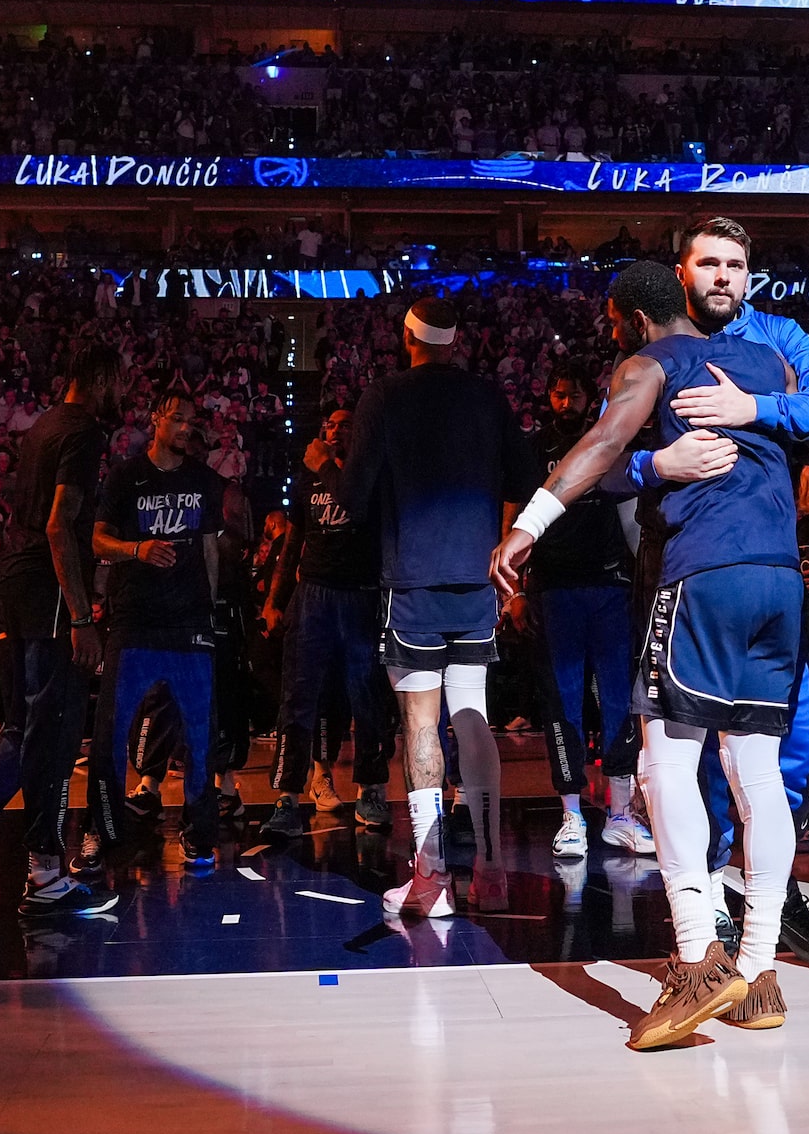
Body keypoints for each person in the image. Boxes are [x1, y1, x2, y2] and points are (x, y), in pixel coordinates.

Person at [492, 259, 809, 1050]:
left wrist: (529, 524)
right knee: (757, 773)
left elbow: (602, 443)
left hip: (705, 574)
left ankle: (697, 959)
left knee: (665, 762)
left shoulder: (648, 362)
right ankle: (758, 973)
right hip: (780, 577)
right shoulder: (767, 361)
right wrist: (658, 464)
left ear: (630, 317)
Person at [636, 216, 809, 972]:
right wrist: (657, 464)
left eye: (737, 265)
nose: (725, 276)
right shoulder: (660, 342)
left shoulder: (779, 338)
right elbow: (624, 442)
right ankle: (713, 931)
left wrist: (753, 409)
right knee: (685, 754)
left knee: (773, 758)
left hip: (758, 562)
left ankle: (762, 912)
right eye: (710, 264)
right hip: (683, 554)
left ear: (749, 275)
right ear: (683, 272)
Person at [339, 295, 536, 919]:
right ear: (457, 340)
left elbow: (354, 496)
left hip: (414, 580)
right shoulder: (487, 397)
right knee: (472, 715)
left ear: (408, 337)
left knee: (422, 725)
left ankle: (432, 878)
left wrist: (328, 465)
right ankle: (494, 869)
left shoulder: (384, 397)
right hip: (477, 577)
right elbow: (526, 481)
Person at [0, 341, 122, 918]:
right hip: (49, 587)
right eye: (120, 379)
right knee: (53, 735)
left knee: (22, 728)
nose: (123, 391)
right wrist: (82, 615)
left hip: (18, 581)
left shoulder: (41, 427)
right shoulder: (83, 431)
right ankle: (45, 873)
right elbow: (61, 526)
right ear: (101, 377)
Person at [86, 394, 229, 873]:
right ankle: (99, 831)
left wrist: (210, 611)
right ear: (156, 421)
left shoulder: (203, 480)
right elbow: (98, 540)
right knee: (109, 736)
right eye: (179, 419)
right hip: (134, 622)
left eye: (192, 422)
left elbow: (209, 549)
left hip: (189, 623)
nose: (187, 428)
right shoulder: (126, 476)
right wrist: (137, 548)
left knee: (201, 738)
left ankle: (199, 834)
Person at [257, 407, 394, 843]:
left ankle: (371, 789)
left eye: (345, 425)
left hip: (359, 595)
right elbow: (292, 543)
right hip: (313, 595)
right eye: (329, 427)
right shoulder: (307, 482)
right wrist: (274, 600)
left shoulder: (370, 474)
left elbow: (358, 509)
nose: (335, 432)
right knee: (296, 699)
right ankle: (287, 798)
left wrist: (326, 465)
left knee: (366, 700)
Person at [523, 371, 645, 861]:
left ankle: (620, 813)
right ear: (548, 396)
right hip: (555, 590)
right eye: (557, 391)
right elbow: (518, 510)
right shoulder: (535, 450)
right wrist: (517, 592)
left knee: (620, 698)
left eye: (571, 392)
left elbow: (633, 513)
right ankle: (571, 815)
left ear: (586, 398)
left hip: (611, 587)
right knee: (563, 702)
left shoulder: (612, 440)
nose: (565, 399)